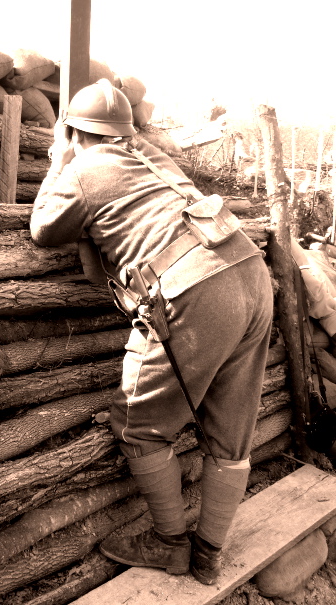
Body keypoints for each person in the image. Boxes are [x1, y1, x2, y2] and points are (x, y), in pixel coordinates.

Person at [30, 79, 274, 585]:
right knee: (232, 431)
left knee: (136, 425)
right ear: (126, 131)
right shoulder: (155, 161)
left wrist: (59, 159)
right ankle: (208, 555)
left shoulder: (82, 169)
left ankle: (171, 544)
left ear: (75, 132)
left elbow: (43, 230)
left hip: (193, 289)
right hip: (250, 273)